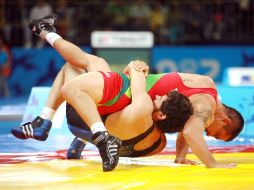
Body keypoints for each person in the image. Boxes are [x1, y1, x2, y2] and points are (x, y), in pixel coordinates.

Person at [11, 15, 243, 169]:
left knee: (88, 64)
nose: (208, 135)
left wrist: (181, 156)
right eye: (215, 135)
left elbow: (187, 131)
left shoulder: (207, 86)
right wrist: (212, 163)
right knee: (85, 66)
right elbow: (192, 132)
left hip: (126, 98)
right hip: (128, 100)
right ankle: (46, 33)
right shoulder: (207, 108)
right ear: (224, 120)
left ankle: (46, 35)